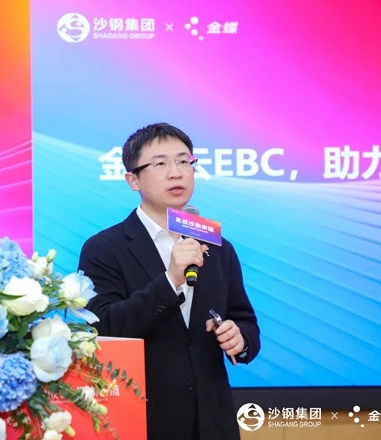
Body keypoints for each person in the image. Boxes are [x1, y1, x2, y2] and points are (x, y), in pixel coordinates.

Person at [78, 123, 260, 440]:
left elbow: (245, 321)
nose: (176, 173)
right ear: (133, 180)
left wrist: (239, 338)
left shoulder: (218, 247)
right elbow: (103, 329)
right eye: (160, 163)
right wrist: (170, 280)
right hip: (142, 420)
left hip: (213, 424)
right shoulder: (104, 249)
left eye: (183, 161)